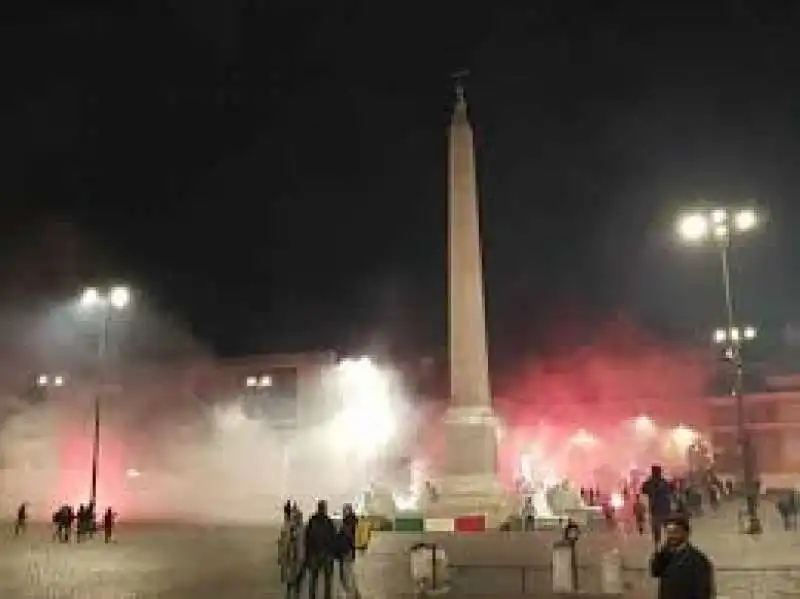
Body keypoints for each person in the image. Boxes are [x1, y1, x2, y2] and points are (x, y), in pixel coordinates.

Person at [650, 515, 714, 599]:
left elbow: (703, 594)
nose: (671, 536)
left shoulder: (699, 561)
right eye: (668, 532)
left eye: (675, 531)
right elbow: (655, 572)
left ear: (686, 533)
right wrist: (660, 552)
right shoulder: (666, 554)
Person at [305, 500, 337, 599]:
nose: (322, 510)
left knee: (325, 580)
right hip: (316, 554)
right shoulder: (314, 521)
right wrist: (308, 556)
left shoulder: (327, 521)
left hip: (325, 554)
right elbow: (307, 538)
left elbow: (333, 538)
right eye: (321, 508)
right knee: (314, 580)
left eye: (323, 508)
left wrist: (332, 554)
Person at [642, 465, 672, 547]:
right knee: (657, 531)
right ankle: (658, 547)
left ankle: (664, 546)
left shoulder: (663, 482)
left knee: (667, 530)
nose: (658, 474)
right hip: (657, 510)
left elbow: (669, 492)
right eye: (657, 472)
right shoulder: (650, 483)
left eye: (658, 472)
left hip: (663, 509)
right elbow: (644, 490)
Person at [279, 507, 305, 599]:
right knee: (292, 580)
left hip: (299, 558)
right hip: (293, 558)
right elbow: (285, 544)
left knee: (296, 581)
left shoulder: (300, 529)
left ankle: (293, 595)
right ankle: (291, 595)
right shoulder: (293, 529)